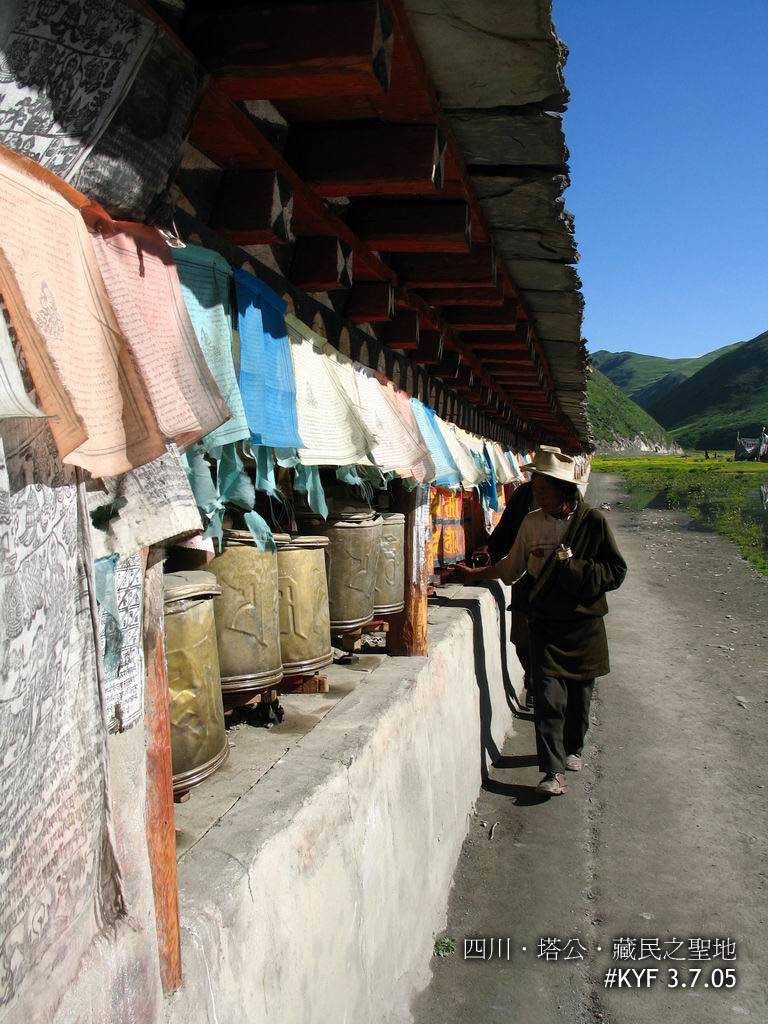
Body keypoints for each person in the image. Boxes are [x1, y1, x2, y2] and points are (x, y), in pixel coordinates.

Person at [453, 448, 627, 797]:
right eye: (536, 489)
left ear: (563, 490)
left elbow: (616, 571)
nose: (537, 495)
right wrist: (477, 574)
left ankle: (573, 747)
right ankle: (552, 771)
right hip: (545, 621)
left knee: (579, 698)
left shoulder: (592, 523)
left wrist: (575, 569)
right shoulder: (531, 523)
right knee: (548, 696)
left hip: (583, 625)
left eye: (543, 490)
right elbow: (512, 567)